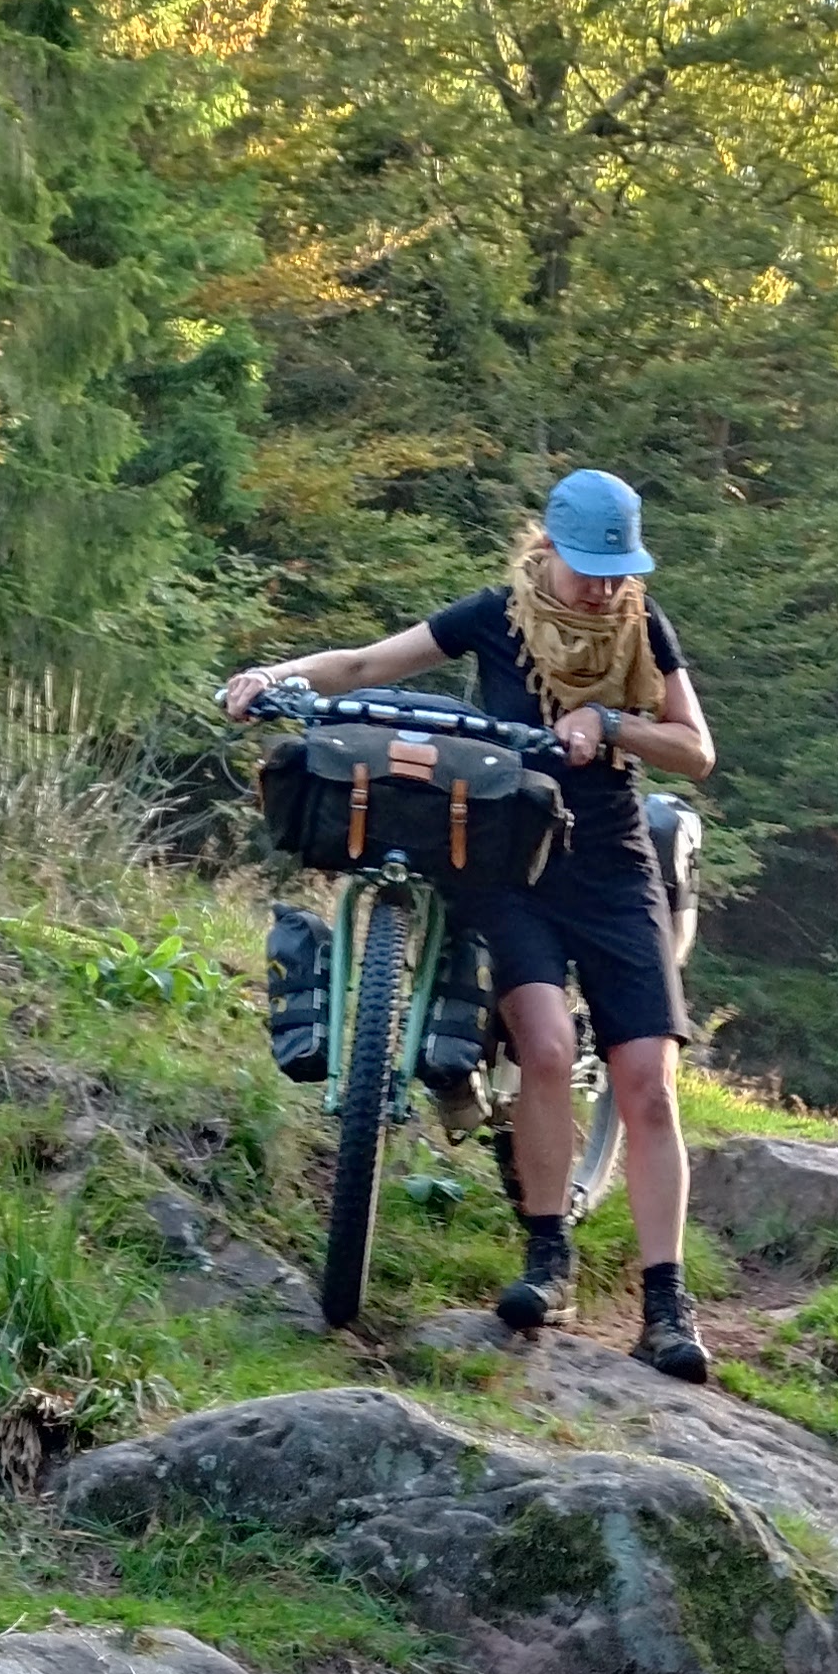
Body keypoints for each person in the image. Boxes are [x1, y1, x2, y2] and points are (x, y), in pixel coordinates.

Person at [220, 467, 717, 1381]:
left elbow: (696, 750)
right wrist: (272, 676)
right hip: (512, 859)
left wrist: (609, 724)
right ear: (549, 549)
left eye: (618, 570)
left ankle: (666, 1304)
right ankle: (547, 1261)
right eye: (589, 567)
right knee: (546, 1048)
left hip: (612, 864)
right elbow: (366, 665)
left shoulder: (643, 626)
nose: (604, 587)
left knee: (648, 1081)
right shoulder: (495, 615)